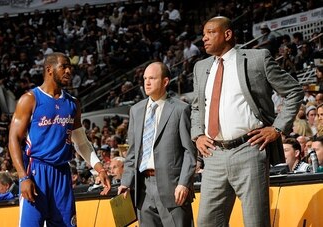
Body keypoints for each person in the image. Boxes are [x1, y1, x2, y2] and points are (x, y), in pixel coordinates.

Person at [191, 16, 303, 227]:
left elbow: (294, 91)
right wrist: (197, 134)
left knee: (255, 222)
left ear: (227, 34)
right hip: (213, 155)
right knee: (207, 223)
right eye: (203, 34)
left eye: (210, 32)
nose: (204, 38)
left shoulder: (257, 59)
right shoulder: (200, 67)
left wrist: (277, 128)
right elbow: (197, 106)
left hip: (249, 150)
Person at [8, 52, 111, 227]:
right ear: (49, 69)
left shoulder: (73, 104)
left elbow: (81, 142)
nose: (69, 71)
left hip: (62, 172)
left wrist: (100, 168)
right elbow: (14, 139)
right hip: (36, 172)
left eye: (70, 67)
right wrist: (23, 177)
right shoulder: (30, 99)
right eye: (64, 66)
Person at [118, 62, 197, 226]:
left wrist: (184, 183)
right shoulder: (136, 110)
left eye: (152, 78)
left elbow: (190, 152)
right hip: (143, 189)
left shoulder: (180, 109)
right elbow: (133, 152)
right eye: (145, 78)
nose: (146, 82)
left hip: (174, 189)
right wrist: (126, 182)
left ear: (165, 81)